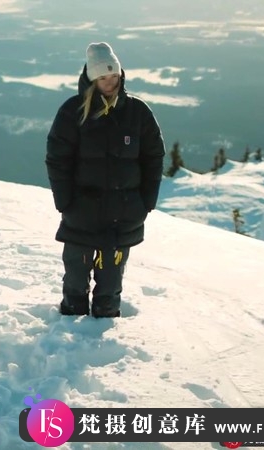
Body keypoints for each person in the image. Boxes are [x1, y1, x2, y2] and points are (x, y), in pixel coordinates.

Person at [45, 42, 166, 318]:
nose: (110, 82)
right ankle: (69, 326)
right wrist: (65, 202)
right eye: (102, 77)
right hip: (81, 213)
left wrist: (146, 202)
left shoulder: (138, 112)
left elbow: (153, 157)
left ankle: (106, 334)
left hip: (123, 215)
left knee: (110, 284)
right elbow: (57, 159)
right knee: (75, 278)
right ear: (91, 78)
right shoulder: (72, 111)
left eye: (113, 75)